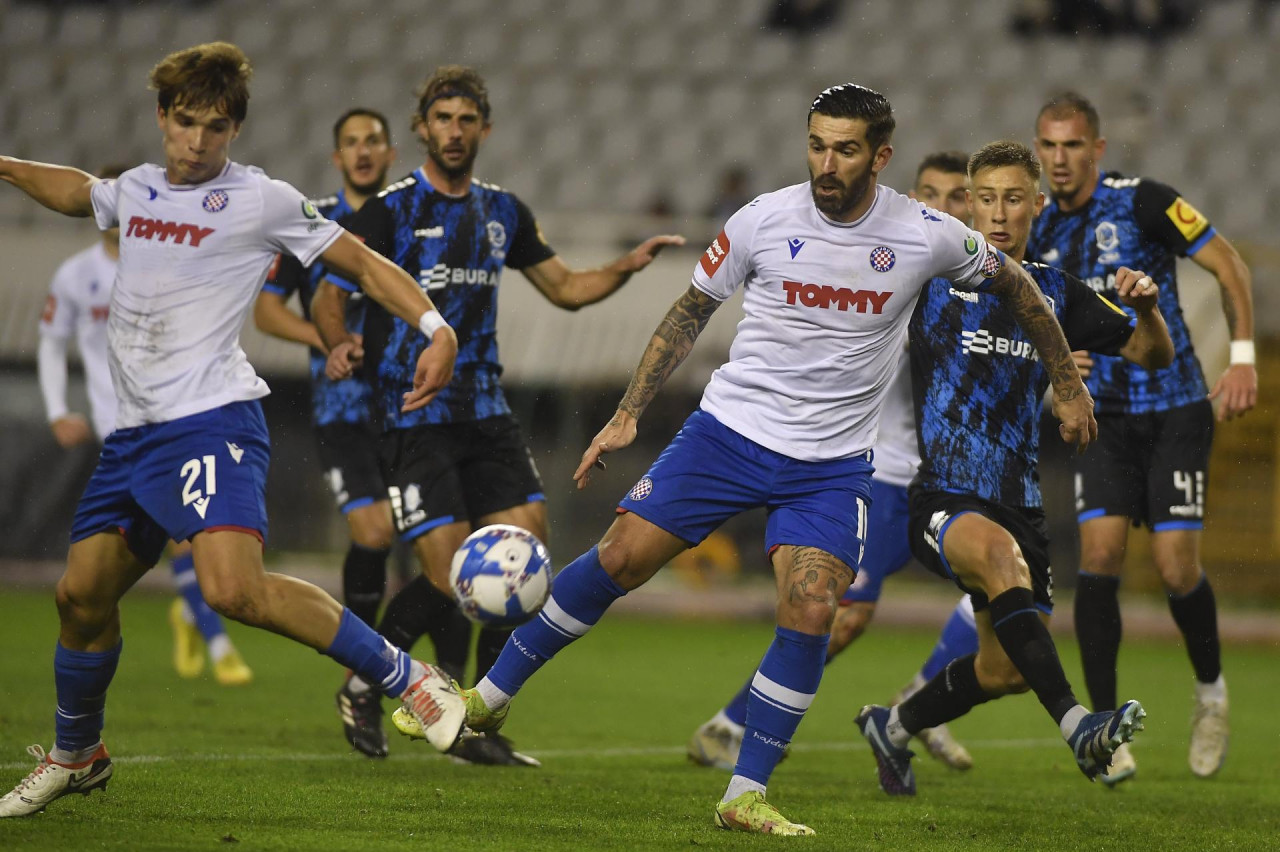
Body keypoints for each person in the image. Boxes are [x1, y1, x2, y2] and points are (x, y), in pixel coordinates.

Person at [396, 85, 1098, 836]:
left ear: (880, 155)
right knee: (620, 558)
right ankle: (486, 702)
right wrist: (628, 413)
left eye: (847, 149)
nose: (827, 163)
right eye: (818, 145)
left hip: (829, 466)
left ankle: (745, 794)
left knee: (813, 607)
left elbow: (1021, 287)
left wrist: (1066, 386)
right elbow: (689, 310)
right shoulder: (764, 219)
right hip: (729, 435)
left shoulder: (924, 233)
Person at [0, 41, 469, 819]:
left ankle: (409, 677)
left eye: (214, 128)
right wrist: (7, 165)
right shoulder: (139, 189)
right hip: (136, 436)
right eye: (184, 123)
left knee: (232, 589)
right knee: (80, 596)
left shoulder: (262, 200)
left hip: (211, 421)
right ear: (161, 118)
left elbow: (360, 262)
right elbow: (79, 192)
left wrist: (435, 326)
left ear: (234, 131)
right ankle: (77, 755)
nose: (196, 142)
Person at [311, 65, 684, 766]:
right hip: (411, 409)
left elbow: (567, 288)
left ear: (484, 128)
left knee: (525, 558)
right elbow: (331, 290)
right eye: (442, 119)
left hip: (485, 407)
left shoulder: (502, 211)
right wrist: (339, 341)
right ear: (423, 128)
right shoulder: (387, 210)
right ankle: (362, 682)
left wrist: (626, 266)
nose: (454, 131)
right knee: (450, 570)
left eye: (466, 119)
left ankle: (476, 721)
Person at [854, 140, 1172, 797]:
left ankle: (894, 726)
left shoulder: (1056, 293)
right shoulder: (931, 281)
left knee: (1004, 672)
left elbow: (1152, 354)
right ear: (970, 203)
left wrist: (1146, 306)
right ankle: (1080, 725)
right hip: (942, 496)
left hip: (1021, 505)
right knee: (999, 560)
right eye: (986, 198)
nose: (998, 213)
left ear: (1037, 206)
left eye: (1014, 199)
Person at [686, 151, 981, 775]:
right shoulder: (900, 279)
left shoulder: (972, 290)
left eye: (958, 196)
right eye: (931, 192)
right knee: (839, 616)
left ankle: (917, 703)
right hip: (883, 478)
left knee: (1006, 583)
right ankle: (734, 723)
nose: (944, 206)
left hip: (948, 480)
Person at [1028, 91, 1256, 783]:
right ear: (1038, 151)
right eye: (1049, 146)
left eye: (1073, 146)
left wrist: (1242, 359)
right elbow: (1034, 318)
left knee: (1175, 567)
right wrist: (1061, 360)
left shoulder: (1145, 201)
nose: (1060, 160)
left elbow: (1230, 267)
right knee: (1097, 558)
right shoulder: (1036, 231)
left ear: (1097, 150)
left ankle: (1211, 696)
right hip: (1105, 418)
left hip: (1177, 406)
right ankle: (1103, 724)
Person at [39, 164, 252, 687]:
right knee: (100, 579)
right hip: (119, 426)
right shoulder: (74, 274)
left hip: (176, 418)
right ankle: (204, 627)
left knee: (187, 540)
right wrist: (56, 409)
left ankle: (213, 636)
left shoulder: (171, 263)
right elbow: (50, 341)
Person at [252, 108, 412, 753]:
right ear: (336, 157)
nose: (363, 151)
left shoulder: (408, 214)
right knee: (374, 533)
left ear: (391, 152)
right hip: (344, 408)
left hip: (412, 407)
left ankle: (421, 690)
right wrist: (327, 338)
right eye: (351, 142)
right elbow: (266, 312)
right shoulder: (309, 221)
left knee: (426, 555)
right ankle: (363, 673)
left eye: (373, 140)